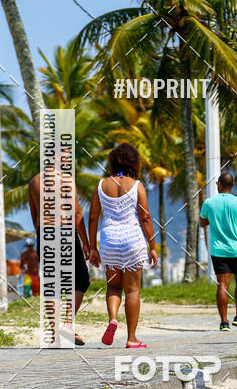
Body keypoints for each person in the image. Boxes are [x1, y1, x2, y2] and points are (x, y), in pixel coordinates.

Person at [88, 143, 158, 348]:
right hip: (132, 241)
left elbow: (93, 218)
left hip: (109, 241)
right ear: (133, 162)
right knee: (133, 291)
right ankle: (131, 338)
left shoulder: (101, 185)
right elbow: (145, 218)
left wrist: (93, 247)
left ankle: (112, 319)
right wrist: (152, 246)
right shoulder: (137, 186)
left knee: (113, 286)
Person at [28, 168, 90, 345]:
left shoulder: (34, 182)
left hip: (44, 233)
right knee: (80, 279)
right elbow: (77, 214)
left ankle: (54, 337)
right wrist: (85, 242)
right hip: (64, 230)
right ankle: (68, 325)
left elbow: (34, 216)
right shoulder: (66, 180)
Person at [200, 172, 237, 331]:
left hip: (218, 250)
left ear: (219, 184)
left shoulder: (209, 203)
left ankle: (224, 322)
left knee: (222, 285)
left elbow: (202, 223)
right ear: (232, 185)